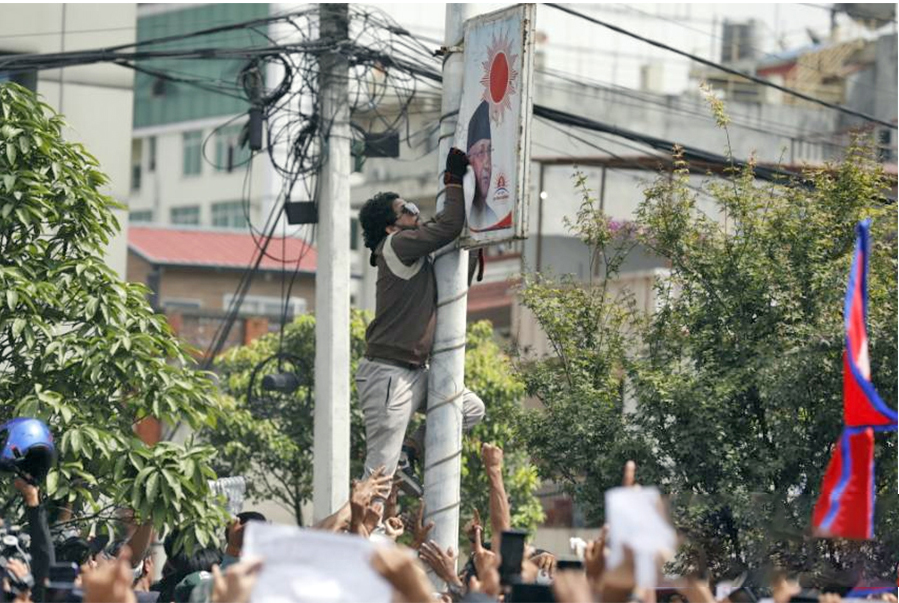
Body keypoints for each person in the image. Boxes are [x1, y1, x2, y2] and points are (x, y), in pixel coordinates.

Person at [357, 147, 486, 497]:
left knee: (471, 408)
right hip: (389, 375)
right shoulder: (396, 244)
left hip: (413, 371)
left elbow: (453, 282)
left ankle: (408, 452)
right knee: (378, 478)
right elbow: (446, 227)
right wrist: (453, 182)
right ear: (390, 225)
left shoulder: (410, 249)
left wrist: (473, 245)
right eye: (407, 210)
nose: (415, 212)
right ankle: (369, 541)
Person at [466, 101, 498, 231]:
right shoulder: (461, 215)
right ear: (468, 160)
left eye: (489, 151)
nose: (487, 163)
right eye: (480, 152)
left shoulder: (493, 218)